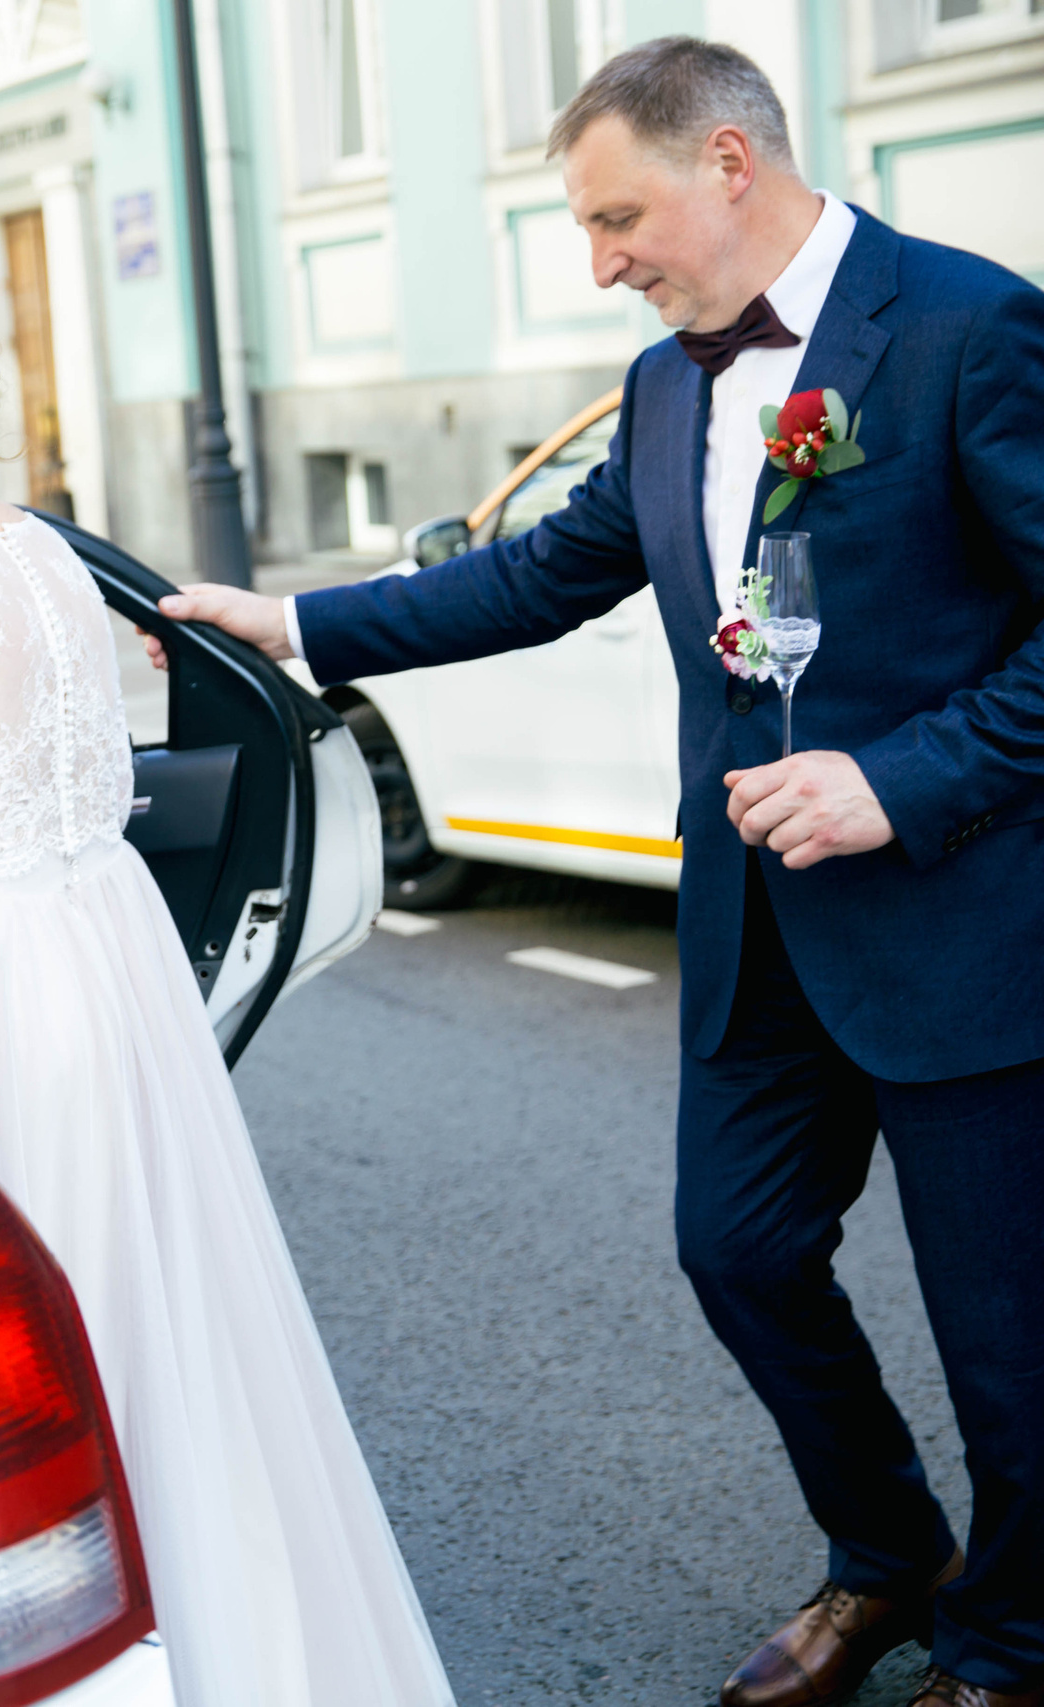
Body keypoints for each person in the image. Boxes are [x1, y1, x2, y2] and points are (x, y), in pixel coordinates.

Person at [154, 38, 1044, 1707]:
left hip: (966, 929)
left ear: (729, 163)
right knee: (740, 1252)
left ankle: (1011, 1642)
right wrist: (290, 625)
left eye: (617, 215)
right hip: (760, 928)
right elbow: (539, 575)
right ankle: (885, 1554)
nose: (602, 260)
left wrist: (896, 780)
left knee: (1012, 1344)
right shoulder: (659, 386)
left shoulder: (966, 327)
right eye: (583, 228)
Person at [0, 283, 456, 1707]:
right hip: (106, 965)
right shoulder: (50, 554)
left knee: (6, 1368)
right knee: (166, 1321)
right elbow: (90, 783)